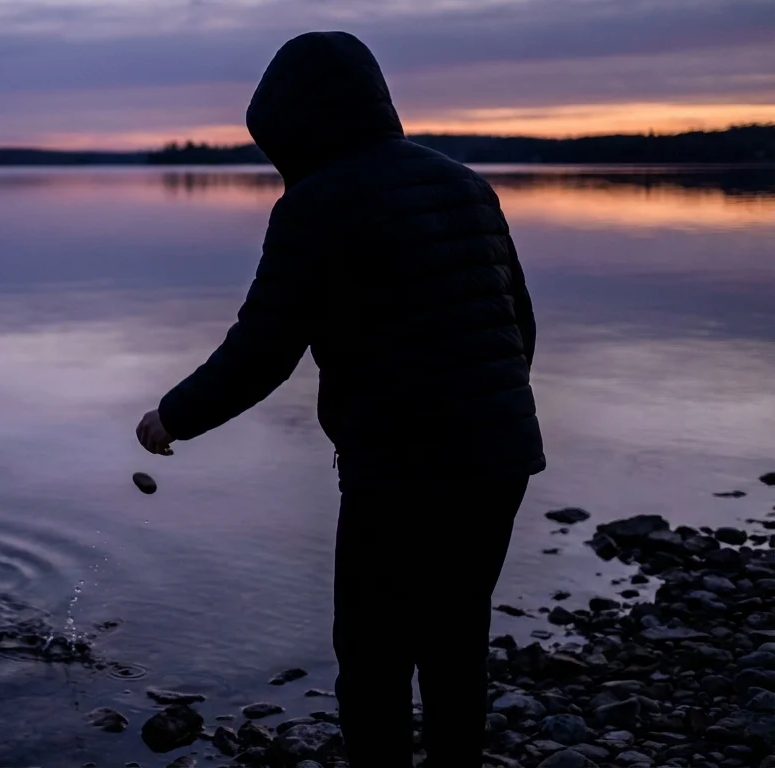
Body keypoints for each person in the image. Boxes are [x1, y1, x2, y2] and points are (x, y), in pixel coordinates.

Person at [134, 31, 545, 768]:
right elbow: (520, 323)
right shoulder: (464, 184)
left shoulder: (317, 205)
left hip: (398, 465)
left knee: (372, 649)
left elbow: (262, 350)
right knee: (455, 638)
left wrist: (173, 416)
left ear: (297, 126)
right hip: (501, 454)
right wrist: (491, 414)